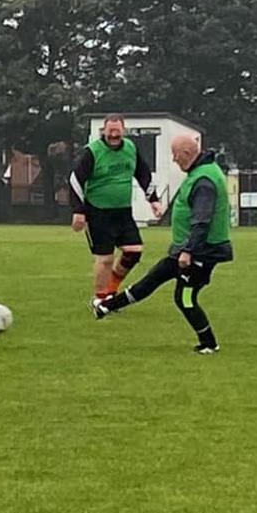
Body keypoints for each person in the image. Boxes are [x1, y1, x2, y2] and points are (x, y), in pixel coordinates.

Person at [92, 134, 233, 354]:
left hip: (200, 253)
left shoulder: (204, 180)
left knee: (185, 297)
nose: (174, 160)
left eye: (175, 155)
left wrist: (188, 251)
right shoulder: (198, 172)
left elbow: (202, 221)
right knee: (152, 279)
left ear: (186, 154)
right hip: (184, 250)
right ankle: (107, 306)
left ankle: (209, 343)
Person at [69, 114, 163, 299]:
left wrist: (153, 199)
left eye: (117, 132)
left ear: (123, 131)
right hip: (97, 212)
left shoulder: (130, 148)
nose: (113, 135)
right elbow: (75, 180)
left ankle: (110, 290)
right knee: (105, 259)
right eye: (110, 131)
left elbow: (143, 173)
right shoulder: (92, 152)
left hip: (123, 212)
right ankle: (100, 299)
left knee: (134, 251)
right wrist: (78, 211)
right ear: (103, 131)